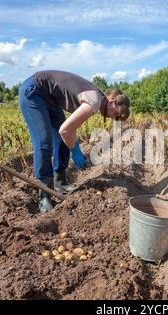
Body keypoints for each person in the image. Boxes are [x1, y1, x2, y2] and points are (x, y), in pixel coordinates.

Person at [19, 70, 130, 212]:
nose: (111, 117)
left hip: (51, 99)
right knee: (44, 142)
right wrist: (75, 150)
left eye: (115, 118)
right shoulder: (94, 101)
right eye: (114, 114)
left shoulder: (99, 99)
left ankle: (60, 182)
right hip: (35, 91)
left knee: (61, 141)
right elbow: (65, 130)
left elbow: (71, 128)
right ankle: (44, 193)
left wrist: (72, 143)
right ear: (113, 102)